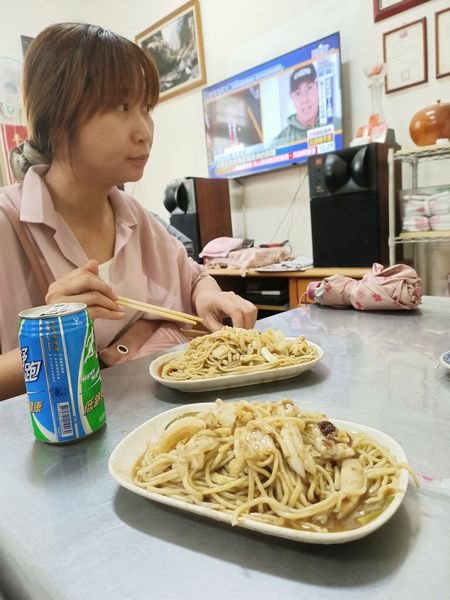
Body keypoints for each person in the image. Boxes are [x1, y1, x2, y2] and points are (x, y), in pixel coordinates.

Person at [0, 22, 257, 401]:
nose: (144, 131)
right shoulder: (9, 223)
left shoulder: (135, 216)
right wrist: (51, 338)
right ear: (57, 117)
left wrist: (208, 296)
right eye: (122, 107)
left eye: (146, 108)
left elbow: (192, 275)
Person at [273, 63, 320, 143]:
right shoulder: (280, 141)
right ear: (292, 98)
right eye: (298, 93)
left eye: (309, 88)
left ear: (317, 88)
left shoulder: (336, 125)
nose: (304, 99)